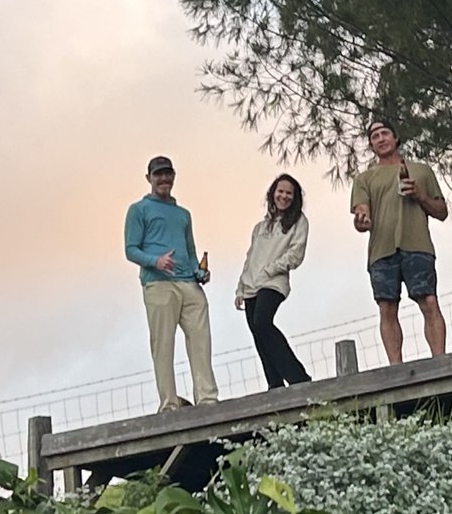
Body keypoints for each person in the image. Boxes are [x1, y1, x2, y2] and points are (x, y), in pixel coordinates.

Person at [124, 156, 218, 411]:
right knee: (163, 344)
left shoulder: (183, 214)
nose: (164, 179)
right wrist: (156, 261)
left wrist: (199, 272)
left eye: (168, 174)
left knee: (201, 340)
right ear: (149, 178)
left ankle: (207, 399)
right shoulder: (138, 210)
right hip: (158, 284)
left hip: (189, 284)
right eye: (158, 174)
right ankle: (169, 404)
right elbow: (131, 249)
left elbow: (190, 251)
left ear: (174, 176)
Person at [351, 120, 448, 364]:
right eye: (374, 136)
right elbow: (361, 213)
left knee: (429, 301)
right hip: (381, 251)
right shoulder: (364, 178)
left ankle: (439, 362)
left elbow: (441, 211)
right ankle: (396, 368)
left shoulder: (421, 170)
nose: (380, 139)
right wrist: (362, 221)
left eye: (385, 133)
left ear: (396, 138)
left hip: (418, 245)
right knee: (387, 307)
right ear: (371, 145)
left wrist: (420, 195)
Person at [235, 175, 311, 389]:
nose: (284, 196)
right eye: (280, 191)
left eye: (289, 193)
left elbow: (296, 254)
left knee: (262, 323)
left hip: (273, 283)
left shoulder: (298, 222)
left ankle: (298, 378)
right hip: (251, 286)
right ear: (273, 193)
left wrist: (271, 269)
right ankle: (275, 384)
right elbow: (250, 258)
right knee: (258, 334)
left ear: (295, 197)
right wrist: (241, 288)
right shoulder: (260, 227)